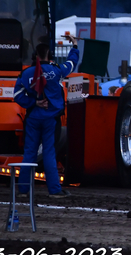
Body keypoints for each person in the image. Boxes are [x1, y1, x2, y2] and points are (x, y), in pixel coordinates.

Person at [13, 35, 80, 198]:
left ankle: (22, 190)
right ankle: (54, 190)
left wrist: (34, 103)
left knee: (29, 153)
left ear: (34, 56)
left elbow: (17, 95)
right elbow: (71, 64)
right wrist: (75, 46)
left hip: (33, 118)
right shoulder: (57, 70)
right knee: (49, 152)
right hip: (51, 119)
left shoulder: (25, 73)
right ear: (50, 56)